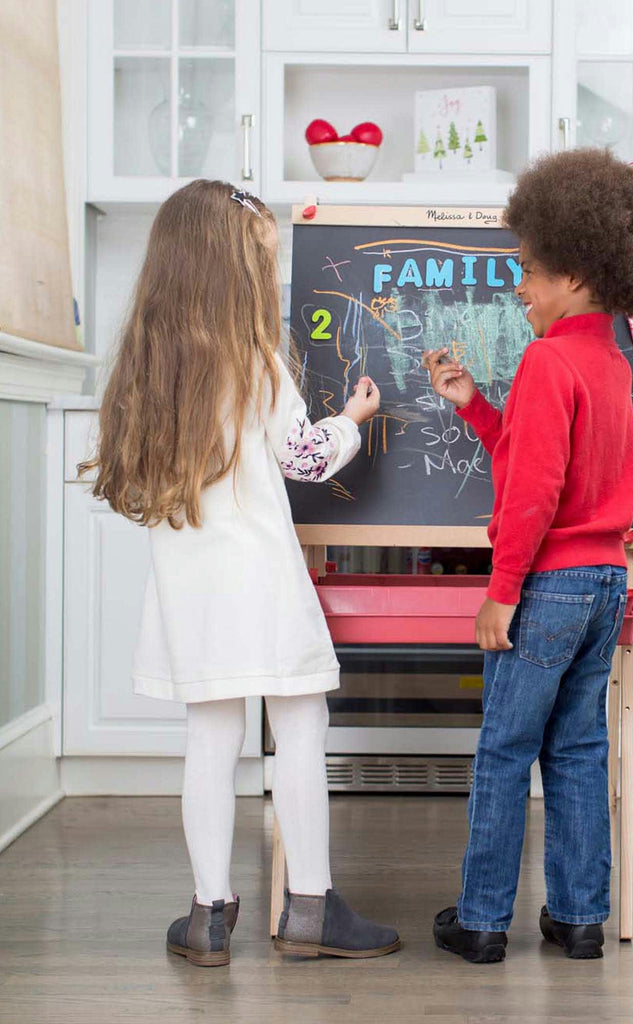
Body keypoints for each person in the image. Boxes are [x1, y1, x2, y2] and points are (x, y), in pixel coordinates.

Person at [81, 180, 400, 967]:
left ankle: (207, 915)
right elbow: (302, 458)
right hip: (260, 576)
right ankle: (311, 907)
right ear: (231, 269)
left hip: (188, 586)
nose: (271, 277)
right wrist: (351, 423)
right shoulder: (253, 361)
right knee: (299, 723)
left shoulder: (148, 367)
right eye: (263, 260)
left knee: (210, 737)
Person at [422, 148, 633, 963]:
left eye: (526, 270)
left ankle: (484, 921)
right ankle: (577, 918)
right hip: (605, 583)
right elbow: (549, 464)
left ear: (572, 272)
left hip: (550, 587)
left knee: (503, 749)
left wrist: (501, 592)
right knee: (576, 748)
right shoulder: (607, 363)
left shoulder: (547, 359)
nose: (518, 287)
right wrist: (476, 408)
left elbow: (531, 497)